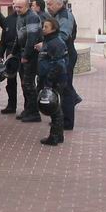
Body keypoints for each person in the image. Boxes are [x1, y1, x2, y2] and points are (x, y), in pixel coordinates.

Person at [46, 0, 82, 129]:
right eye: (47, 4)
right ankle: (61, 118)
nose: (48, 7)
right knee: (61, 87)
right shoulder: (56, 16)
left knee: (65, 88)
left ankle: (67, 122)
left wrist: (48, 44)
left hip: (66, 55)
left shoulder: (65, 16)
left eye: (50, 4)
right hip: (61, 54)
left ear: (59, 4)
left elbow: (64, 35)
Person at [36, 18, 68, 146]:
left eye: (46, 27)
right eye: (43, 26)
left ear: (53, 29)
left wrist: (48, 82)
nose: (43, 29)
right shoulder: (49, 41)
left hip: (55, 80)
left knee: (54, 107)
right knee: (56, 108)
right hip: (50, 78)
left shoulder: (56, 43)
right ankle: (58, 135)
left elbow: (59, 64)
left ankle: (54, 136)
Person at [9, 0, 42, 122]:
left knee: (28, 84)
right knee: (24, 84)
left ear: (27, 6)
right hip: (22, 53)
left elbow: (32, 38)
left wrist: (26, 56)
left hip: (31, 55)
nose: (17, 9)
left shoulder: (32, 17)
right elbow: (19, 37)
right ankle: (28, 109)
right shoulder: (20, 16)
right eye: (15, 6)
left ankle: (34, 112)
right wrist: (13, 53)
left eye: (20, 7)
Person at [0, 3, 19, 114]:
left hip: (23, 51)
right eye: (14, 5)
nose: (16, 7)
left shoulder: (29, 18)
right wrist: (0, 55)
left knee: (26, 82)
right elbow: (3, 40)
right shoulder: (7, 20)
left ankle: (28, 108)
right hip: (10, 51)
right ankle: (11, 106)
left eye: (18, 5)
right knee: (10, 81)